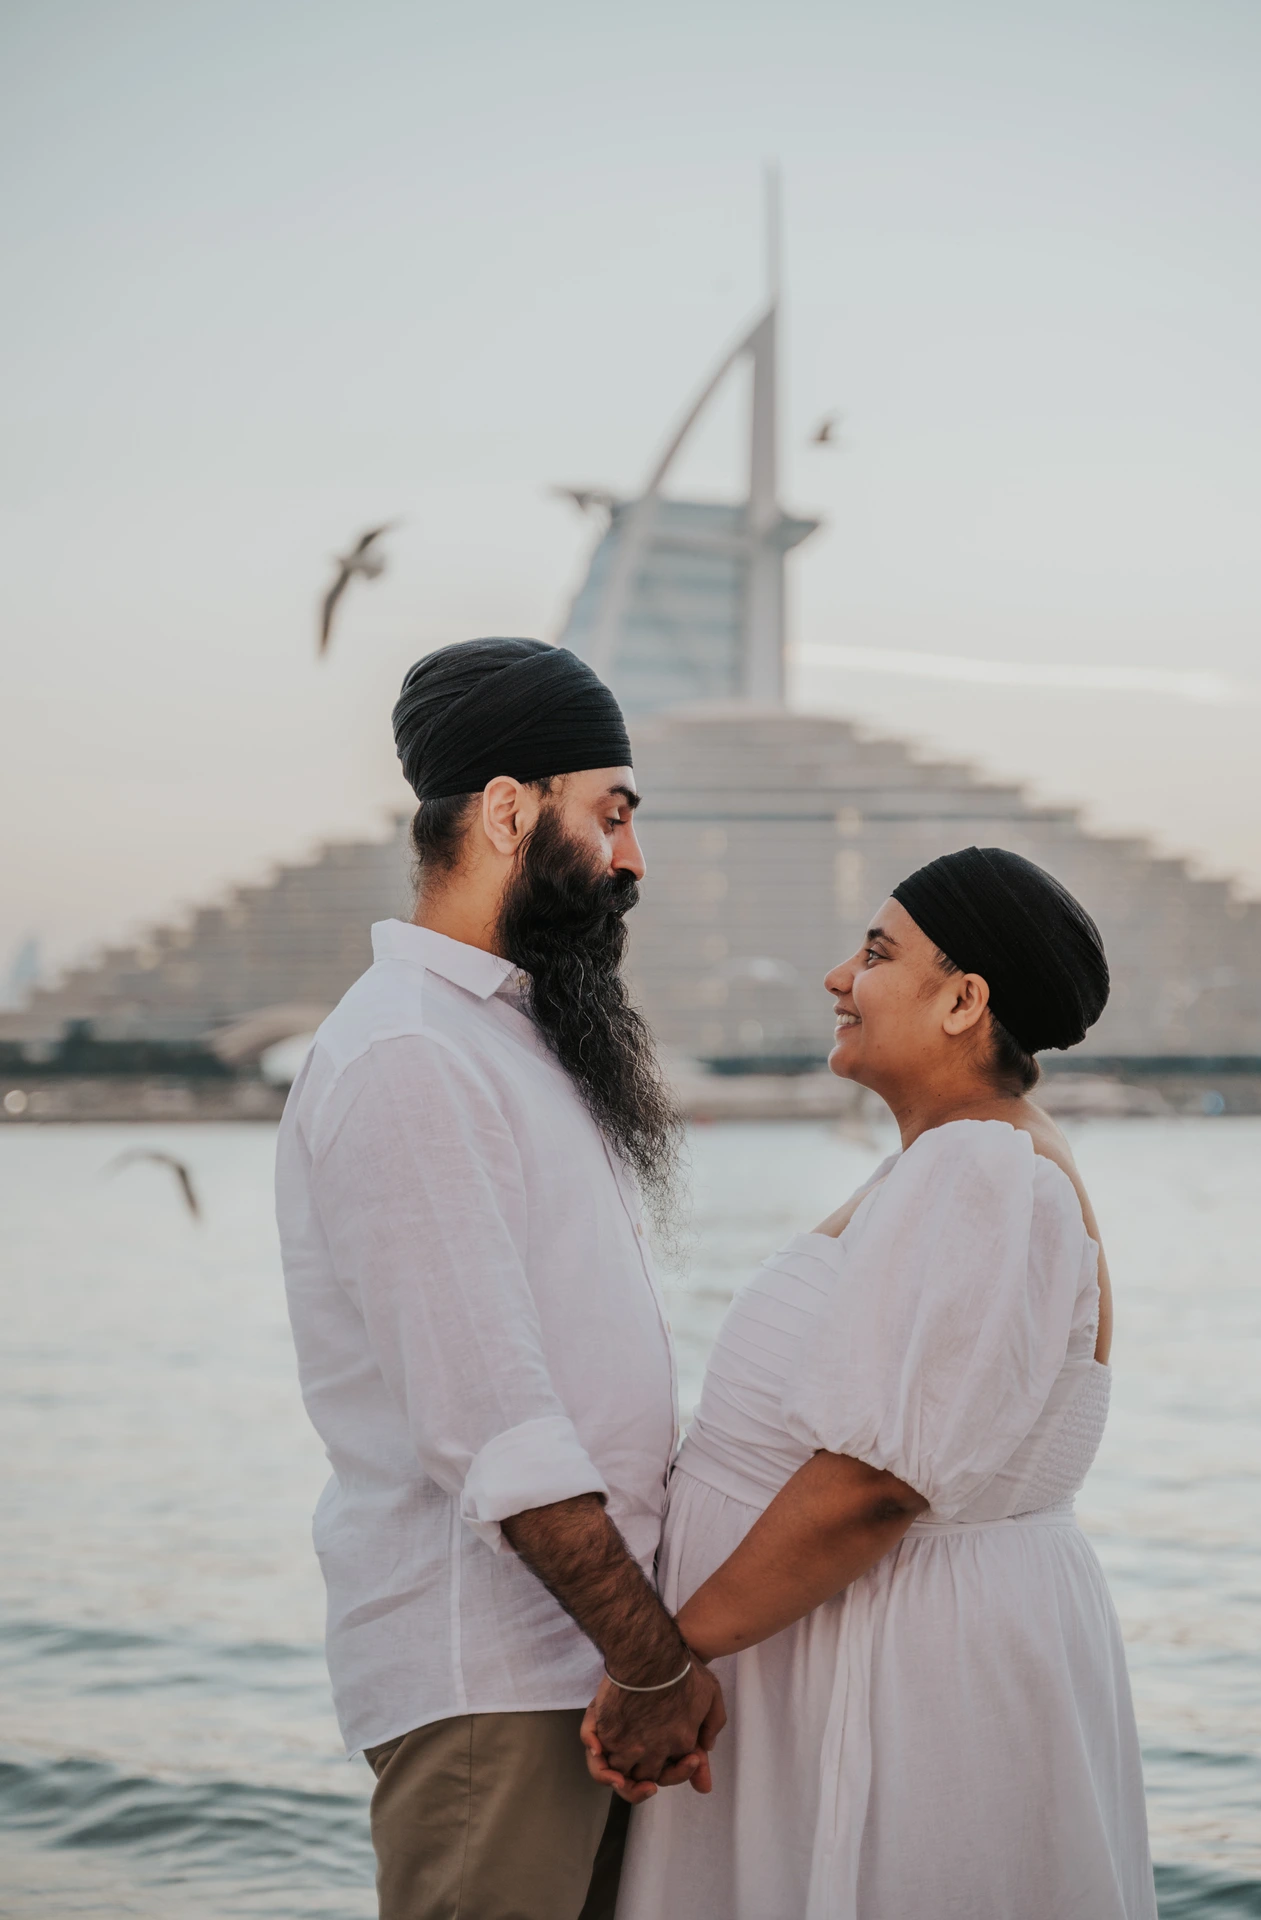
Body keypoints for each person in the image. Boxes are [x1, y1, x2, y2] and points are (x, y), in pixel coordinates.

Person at [598, 846, 1157, 1920]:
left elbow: (874, 1484)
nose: (835, 979)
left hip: (889, 1669)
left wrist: (659, 1665)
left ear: (961, 1000)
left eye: (873, 952)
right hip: (854, 1649)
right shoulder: (957, 1162)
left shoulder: (976, 1173)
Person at [276, 638, 723, 1920]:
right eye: (614, 812)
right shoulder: (408, 1055)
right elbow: (493, 1427)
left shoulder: (501, 1039)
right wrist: (648, 1667)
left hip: (563, 1670)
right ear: (509, 810)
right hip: (497, 1685)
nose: (631, 859)